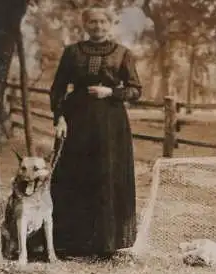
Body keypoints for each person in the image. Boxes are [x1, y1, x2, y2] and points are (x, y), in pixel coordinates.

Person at [49, 6, 142, 260]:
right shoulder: (72, 52)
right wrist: (59, 118)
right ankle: (71, 244)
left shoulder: (123, 53)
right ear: (85, 25)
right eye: (92, 22)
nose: (98, 27)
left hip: (111, 124)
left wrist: (111, 92)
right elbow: (58, 87)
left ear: (110, 24)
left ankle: (107, 244)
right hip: (77, 120)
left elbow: (135, 90)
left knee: (107, 176)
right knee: (76, 176)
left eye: (102, 22)